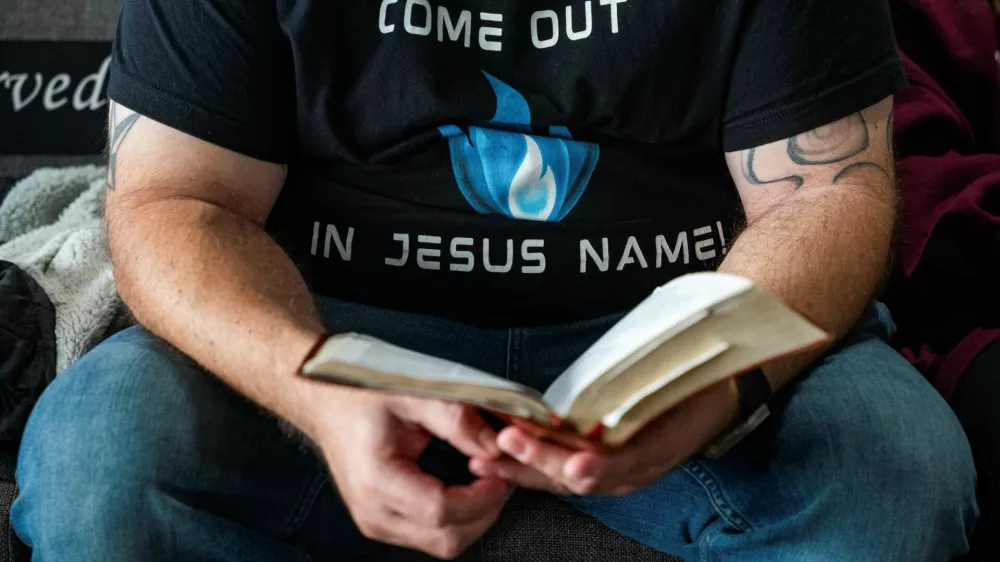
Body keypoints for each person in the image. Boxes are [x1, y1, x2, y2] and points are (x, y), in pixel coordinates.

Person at [10, 0, 978, 560]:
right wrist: (317, 391)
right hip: (328, 324)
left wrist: (715, 379)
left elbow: (826, 192)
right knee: (100, 451)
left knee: (897, 470)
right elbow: (177, 200)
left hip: (678, 323)